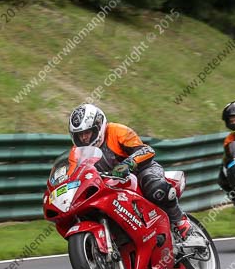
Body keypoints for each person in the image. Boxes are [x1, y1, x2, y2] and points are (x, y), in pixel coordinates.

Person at [67, 103, 192, 240]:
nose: (84, 138)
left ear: (98, 126)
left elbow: (146, 150)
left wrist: (128, 163)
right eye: (80, 135)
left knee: (155, 188)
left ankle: (181, 223)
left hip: (140, 171)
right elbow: (73, 177)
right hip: (109, 187)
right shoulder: (76, 153)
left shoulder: (117, 131)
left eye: (87, 132)